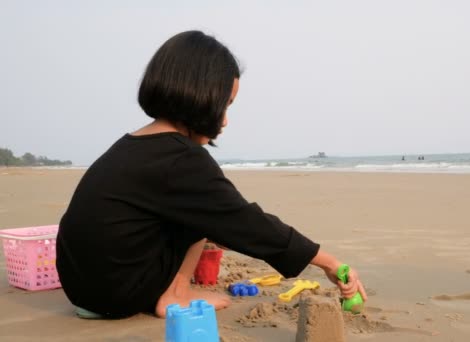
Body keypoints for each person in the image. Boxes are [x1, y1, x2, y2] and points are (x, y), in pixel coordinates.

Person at [56, 30, 367, 319]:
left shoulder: (131, 146)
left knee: (203, 212)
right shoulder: (183, 159)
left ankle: (174, 288)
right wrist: (329, 262)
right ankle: (175, 294)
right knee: (205, 215)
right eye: (225, 105)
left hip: (82, 290)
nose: (226, 120)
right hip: (116, 297)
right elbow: (246, 222)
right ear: (200, 94)